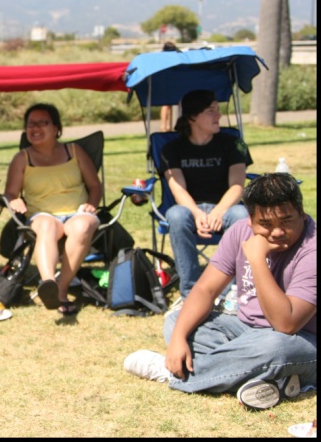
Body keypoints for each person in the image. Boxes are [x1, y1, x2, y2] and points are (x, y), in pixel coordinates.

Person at [123, 173, 316, 411]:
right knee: (177, 322)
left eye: (286, 221)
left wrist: (256, 260)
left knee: (275, 348)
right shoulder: (239, 231)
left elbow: (286, 324)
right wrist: (178, 340)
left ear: (302, 213)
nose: (276, 232)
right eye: (265, 224)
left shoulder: (312, 249)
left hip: (301, 341)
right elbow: (205, 289)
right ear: (250, 220)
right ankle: (275, 380)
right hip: (245, 330)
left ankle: (177, 375)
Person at [3, 103, 101, 315]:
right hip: (42, 214)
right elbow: (10, 192)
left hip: (78, 211)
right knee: (46, 226)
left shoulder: (75, 151)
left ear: (57, 128)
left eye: (42, 123)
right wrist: (14, 201)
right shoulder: (22, 158)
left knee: (83, 226)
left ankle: (61, 290)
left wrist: (92, 204)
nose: (35, 128)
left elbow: (95, 186)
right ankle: (48, 282)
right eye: (31, 124)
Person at [160, 89, 250, 302]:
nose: (218, 116)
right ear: (192, 117)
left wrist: (219, 210)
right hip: (189, 208)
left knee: (241, 214)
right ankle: (190, 294)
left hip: (227, 207)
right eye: (211, 111)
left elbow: (238, 184)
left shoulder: (232, 143)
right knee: (176, 215)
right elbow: (178, 187)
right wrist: (196, 212)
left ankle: (235, 291)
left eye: (218, 110)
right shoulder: (171, 149)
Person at [159, 41, 180, 133]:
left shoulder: (162, 58)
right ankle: (164, 126)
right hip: (169, 83)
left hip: (167, 83)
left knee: (168, 105)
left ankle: (167, 126)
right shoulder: (171, 58)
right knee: (167, 105)